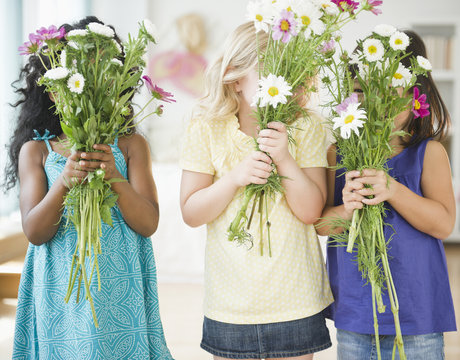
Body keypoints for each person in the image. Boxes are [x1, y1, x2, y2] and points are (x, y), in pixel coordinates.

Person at [5, 16, 173, 359]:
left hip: (119, 284)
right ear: (55, 86)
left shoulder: (130, 145)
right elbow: (35, 232)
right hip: (59, 290)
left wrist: (114, 175)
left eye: (104, 76)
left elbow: (148, 223)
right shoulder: (36, 151)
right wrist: (65, 180)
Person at [179, 22, 333, 360]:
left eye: (292, 70)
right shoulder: (206, 127)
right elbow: (191, 212)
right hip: (230, 304)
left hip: (295, 299)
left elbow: (311, 212)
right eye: (271, 71)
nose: (285, 81)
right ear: (234, 78)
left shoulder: (307, 126)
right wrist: (234, 178)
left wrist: (285, 159)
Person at [316, 30, 457, 359]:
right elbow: (321, 225)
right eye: (359, 93)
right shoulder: (338, 154)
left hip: (417, 316)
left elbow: (443, 224)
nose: (372, 107)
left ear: (414, 96)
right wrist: (347, 209)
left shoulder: (430, 153)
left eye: (387, 95)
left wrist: (392, 189)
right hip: (356, 314)